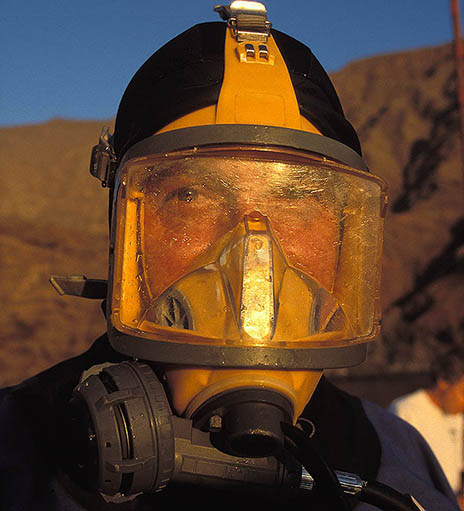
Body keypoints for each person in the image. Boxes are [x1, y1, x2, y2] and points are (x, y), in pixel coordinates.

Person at [0, 2, 460, 510]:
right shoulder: (19, 456)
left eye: (300, 198)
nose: (255, 257)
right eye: (192, 196)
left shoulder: (396, 462)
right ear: (124, 239)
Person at [389, 346, 464, 497]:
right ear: (443, 382)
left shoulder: (456, 415)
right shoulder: (406, 412)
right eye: (462, 393)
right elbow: (401, 477)